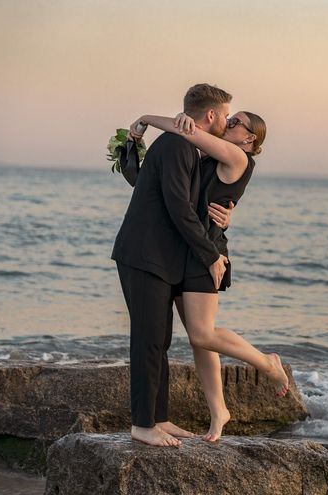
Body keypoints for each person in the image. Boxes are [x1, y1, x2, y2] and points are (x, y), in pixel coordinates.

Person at [127, 109, 289, 442]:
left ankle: (267, 363)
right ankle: (219, 411)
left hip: (208, 253)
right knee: (199, 337)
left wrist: (146, 117)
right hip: (188, 251)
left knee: (202, 334)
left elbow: (186, 132)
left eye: (235, 122)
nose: (227, 124)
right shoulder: (208, 156)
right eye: (228, 120)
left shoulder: (239, 157)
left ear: (249, 138)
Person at [112, 83, 231, 447]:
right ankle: (142, 425)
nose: (226, 121)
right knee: (148, 340)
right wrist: (210, 254)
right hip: (145, 255)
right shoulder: (178, 145)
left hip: (159, 259)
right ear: (210, 115)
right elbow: (179, 207)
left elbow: (150, 185)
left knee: (159, 341)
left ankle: (158, 418)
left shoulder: (184, 146)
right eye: (226, 115)